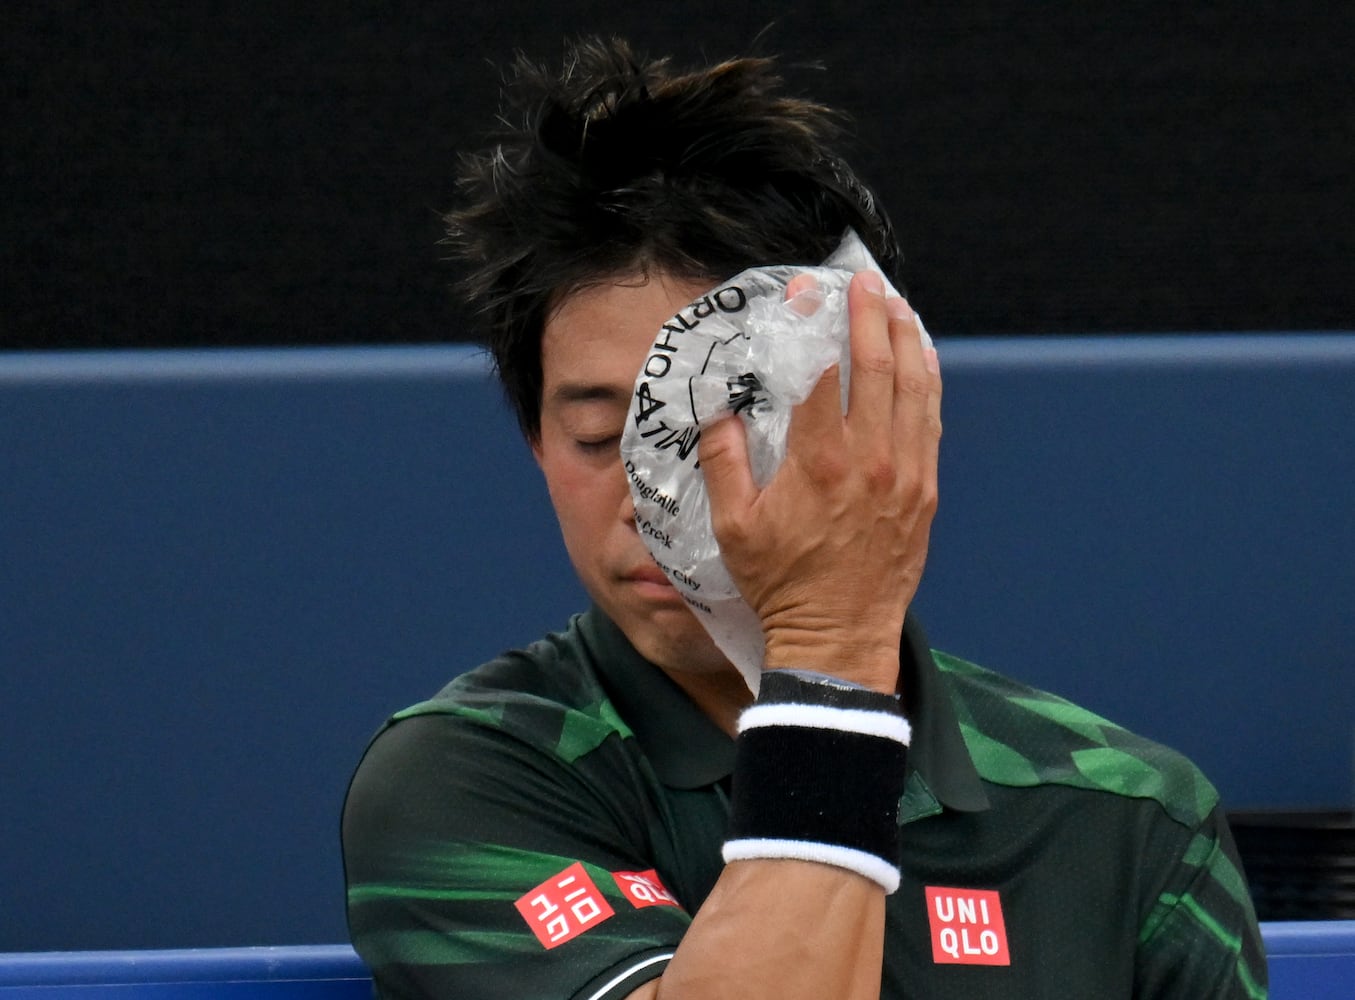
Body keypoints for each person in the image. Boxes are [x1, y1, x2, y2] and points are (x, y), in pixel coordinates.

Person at [341, 37, 1267, 1000]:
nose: (657, 499)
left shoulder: (1125, 814)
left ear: (879, 421)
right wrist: (830, 651)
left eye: (721, 432)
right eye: (599, 436)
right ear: (535, 441)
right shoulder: (463, 780)